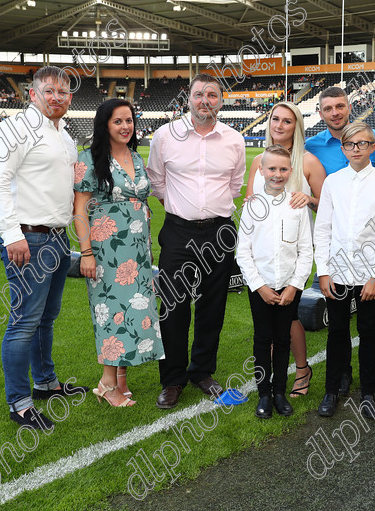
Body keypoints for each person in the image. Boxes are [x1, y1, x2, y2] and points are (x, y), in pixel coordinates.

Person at [0, 66, 88, 430]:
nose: (56, 97)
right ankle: (20, 403)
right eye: (49, 91)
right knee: (24, 321)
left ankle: (45, 383)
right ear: (33, 93)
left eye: (63, 92)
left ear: (70, 98)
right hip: (28, 237)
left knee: (46, 317)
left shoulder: (65, 135)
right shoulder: (13, 129)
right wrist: (11, 234)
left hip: (57, 238)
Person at [147, 73, 246, 410]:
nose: (206, 100)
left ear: (221, 100)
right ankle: (172, 379)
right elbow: (157, 184)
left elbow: (235, 186)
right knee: (172, 307)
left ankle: (202, 372)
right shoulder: (165, 136)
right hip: (178, 231)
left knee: (212, 306)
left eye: (213, 95)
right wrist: (184, 212)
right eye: (199, 94)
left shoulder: (234, 139)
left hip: (219, 232)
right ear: (188, 98)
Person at [72, 98, 165, 407]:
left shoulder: (136, 158)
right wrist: (85, 252)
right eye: (118, 121)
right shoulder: (89, 158)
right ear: (105, 125)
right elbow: (80, 210)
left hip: (137, 251)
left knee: (134, 312)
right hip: (106, 250)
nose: (126, 126)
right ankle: (107, 383)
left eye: (129, 121)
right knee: (112, 314)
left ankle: (120, 379)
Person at [315, 121, 375, 420]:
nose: (356, 149)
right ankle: (332, 389)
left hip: (370, 274)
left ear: (372, 147)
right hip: (337, 272)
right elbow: (322, 229)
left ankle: (367, 393)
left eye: (362, 143)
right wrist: (323, 271)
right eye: (350, 144)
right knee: (337, 332)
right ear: (343, 148)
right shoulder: (333, 182)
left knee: (371, 332)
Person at [305, 86, 375, 395]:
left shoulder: (374, 138)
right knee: (338, 323)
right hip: (335, 248)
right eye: (328, 108)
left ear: (349, 107)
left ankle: (370, 372)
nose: (335, 112)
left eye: (340, 106)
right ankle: (340, 376)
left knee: (372, 321)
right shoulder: (311, 146)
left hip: (369, 249)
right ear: (321, 113)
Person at [245, 101, 326, 397]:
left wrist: (310, 200)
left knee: (289, 317)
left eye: (287, 121)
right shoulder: (259, 161)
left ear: (297, 126)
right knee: (266, 322)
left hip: (294, 253)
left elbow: (327, 204)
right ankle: (269, 384)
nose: (279, 125)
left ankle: (302, 369)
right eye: (275, 119)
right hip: (263, 256)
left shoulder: (308, 162)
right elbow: (251, 203)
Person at [237, 145, 314, 419]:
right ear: (261, 170)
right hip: (261, 287)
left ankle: (280, 391)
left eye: (283, 169)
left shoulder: (296, 206)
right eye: (272, 168)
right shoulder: (252, 207)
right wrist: (259, 286)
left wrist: (294, 285)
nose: (277, 174)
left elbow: (306, 250)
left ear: (290, 171)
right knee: (262, 339)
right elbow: (243, 251)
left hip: (289, 288)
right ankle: (264, 394)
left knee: (283, 339)